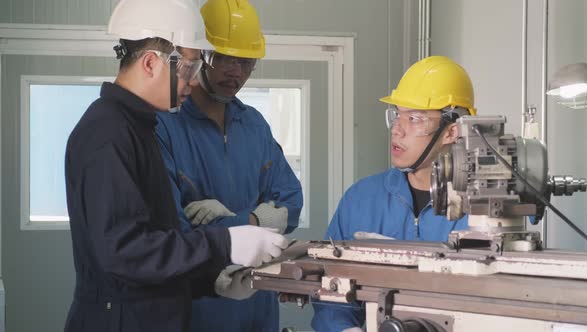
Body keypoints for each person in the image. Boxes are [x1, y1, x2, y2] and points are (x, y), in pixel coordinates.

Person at [63, 1, 288, 331]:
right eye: (188, 69)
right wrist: (225, 243)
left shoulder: (139, 128)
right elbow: (125, 253)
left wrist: (210, 280)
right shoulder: (107, 134)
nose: (194, 82)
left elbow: (156, 249)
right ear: (152, 63)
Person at [155, 1, 303, 331]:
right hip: (198, 309)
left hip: (258, 304)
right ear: (198, 55)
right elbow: (172, 233)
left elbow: (291, 204)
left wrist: (235, 221)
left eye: (246, 61)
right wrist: (258, 222)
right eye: (222, 57)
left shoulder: (255, 125)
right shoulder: (165, 125)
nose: (235, 71)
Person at [311, 55, 476, 332]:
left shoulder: (482, 209)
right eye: (396, 115)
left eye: (414, 119)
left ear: (451, 131)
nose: (397, 130)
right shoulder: (361, 199)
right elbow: (330, 291)